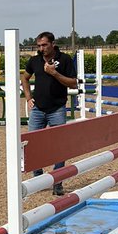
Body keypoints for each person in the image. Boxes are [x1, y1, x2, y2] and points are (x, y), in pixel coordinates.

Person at [20, 31, 77, 196]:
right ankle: (38, 179)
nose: (41, 48)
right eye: (38, 45)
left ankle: (57, 182)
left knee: (60, 147)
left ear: (53, 44)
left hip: (57, 109)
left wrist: (54, 73)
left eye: (44, 45)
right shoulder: (35, 60)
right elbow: (25, 78)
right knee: (31, 145)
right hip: (37, 109)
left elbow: (73, 83)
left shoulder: (64, 59)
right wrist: (28, 98)